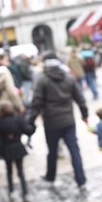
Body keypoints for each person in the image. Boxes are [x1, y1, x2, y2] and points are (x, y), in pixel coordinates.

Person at [27, 51, 89, 191]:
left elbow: (36, 102)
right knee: (74, 150)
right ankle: (81, 179)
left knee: (52, 151)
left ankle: (51, 176)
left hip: (51, 122)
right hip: (68, 121)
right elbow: (80, 98)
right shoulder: (68, 78)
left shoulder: (42, 79)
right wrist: (85, 114)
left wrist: (30, 120)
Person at [0, 101, 36, 202]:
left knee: (9, 172)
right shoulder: (18, 120)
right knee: (21, 172)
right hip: (18, 148)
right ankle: (26, 193)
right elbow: (28, 131)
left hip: (7, 150)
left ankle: (12, 192)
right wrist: (32, 124)